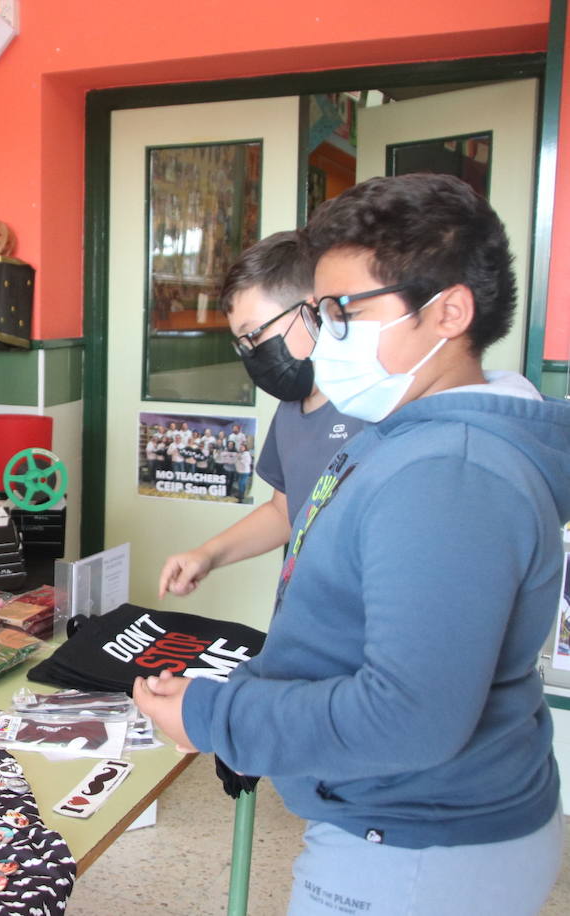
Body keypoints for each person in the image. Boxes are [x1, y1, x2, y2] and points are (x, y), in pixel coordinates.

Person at [136, 173, 568, 915]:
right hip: (395, 823)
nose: (324, 337)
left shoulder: (447, 474)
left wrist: (216, 719)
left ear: (449, 312)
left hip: (417, 846)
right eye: (318, 312)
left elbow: (408, 717)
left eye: (342, 312)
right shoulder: (411, 440)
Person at [158, 231, 366, 597]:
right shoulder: (291, 408)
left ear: (313, 310)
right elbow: (285, 511)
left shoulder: (372, 407)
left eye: (254, 334)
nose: (252, 353)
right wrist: (207, 555)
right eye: (243, 344)